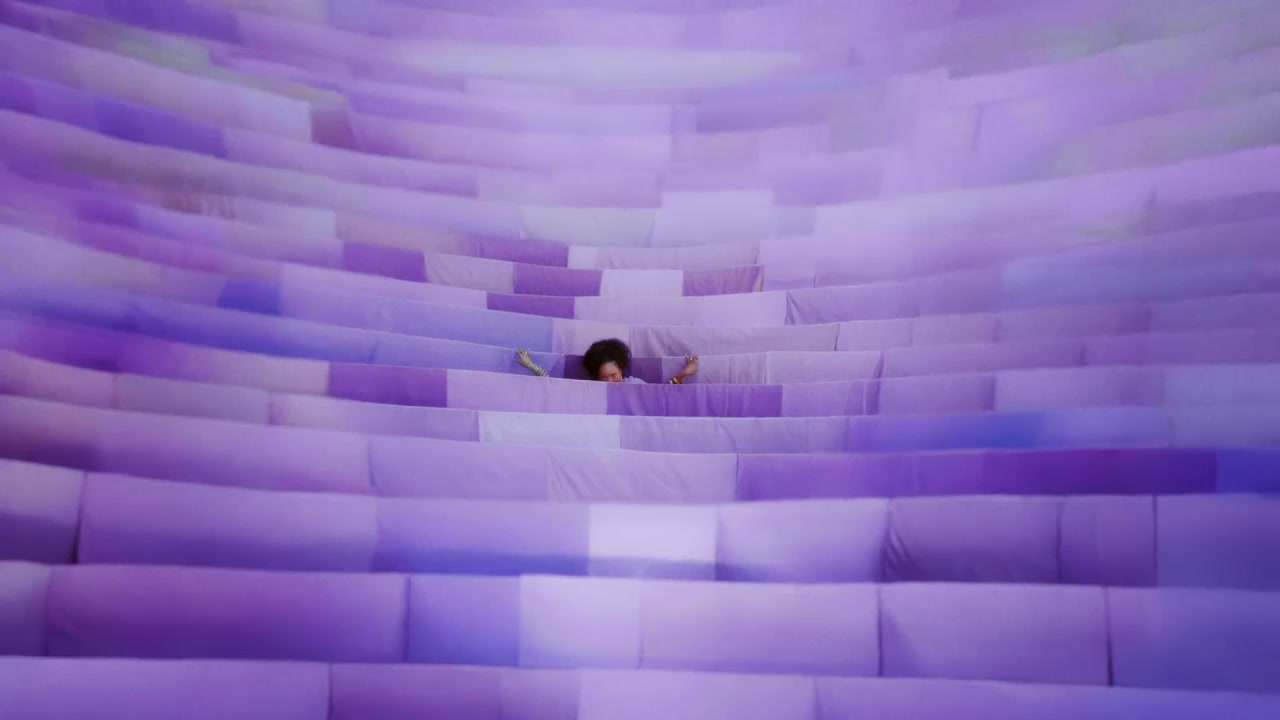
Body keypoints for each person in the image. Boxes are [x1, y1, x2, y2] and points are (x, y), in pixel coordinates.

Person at [517, 338, 698, 384]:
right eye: (604, 377)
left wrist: (685, 372)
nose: (610, 382)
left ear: (622, 369)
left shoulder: (634, 384)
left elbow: (662, 396)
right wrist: (531, 365)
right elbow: (555, 389)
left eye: (614, 375)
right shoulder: (590, 389)